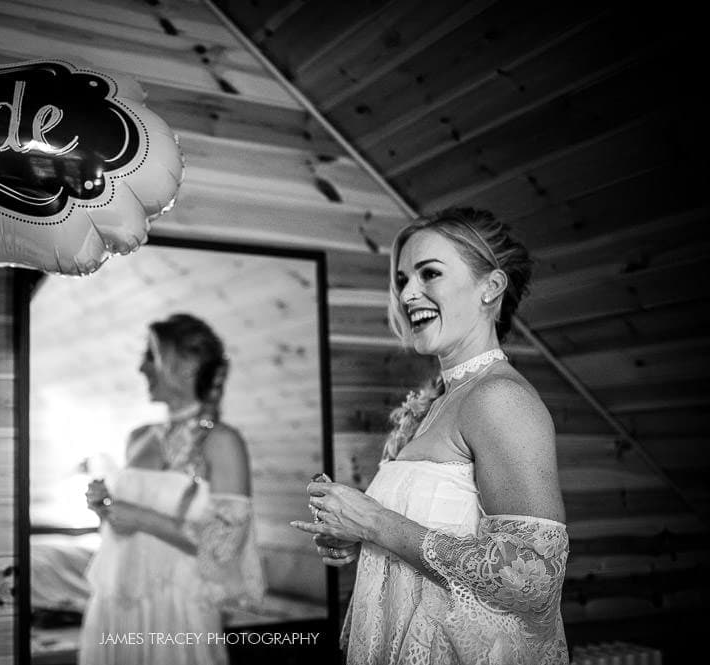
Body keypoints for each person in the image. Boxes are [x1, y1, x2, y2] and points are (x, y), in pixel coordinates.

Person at [292, 208, 569, 664]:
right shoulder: (437, 401)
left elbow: (532, 581)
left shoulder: (499, 397)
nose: (407, 294)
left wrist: (374, 521)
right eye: (402, 280)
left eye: (429, 274)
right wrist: (358, 535)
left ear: (491, 288)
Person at [79, 313, 264, 665]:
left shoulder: (222, 442)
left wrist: (140, 517)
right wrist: (105, 506)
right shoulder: (137, 437)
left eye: (150, 355)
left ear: (186, 365)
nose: (141, 368)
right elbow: (125, 524)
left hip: (179, 610)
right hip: (116, 601)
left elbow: (223, 545)